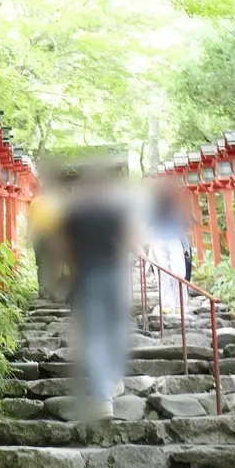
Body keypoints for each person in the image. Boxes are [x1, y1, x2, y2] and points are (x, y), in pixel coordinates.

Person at [58, 164, 137, 421]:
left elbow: (66, 248)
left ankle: (103, 398)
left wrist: (73, 272)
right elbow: (129, 242)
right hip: (115, 274)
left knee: (93, 337)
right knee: (115, 330)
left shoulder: (74, 213)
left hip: (88, 276)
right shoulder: (117, 209)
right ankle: (113, 378)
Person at [148, 184, 190, 314]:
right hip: (160, 240)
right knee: (165, 272)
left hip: (168, 239)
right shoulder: (154, 208)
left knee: (176, 272)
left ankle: (179, 304)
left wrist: (185, 245)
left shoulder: (174, 208)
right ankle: (169, 304)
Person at [28, 192, 65, 302]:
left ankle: (42, 288)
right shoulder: (57, 203)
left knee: (41, 263)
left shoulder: (35, 203)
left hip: (38, 236)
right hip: (52, 237)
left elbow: (30, 221)